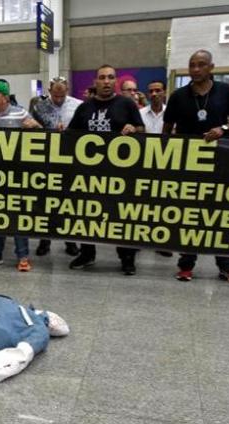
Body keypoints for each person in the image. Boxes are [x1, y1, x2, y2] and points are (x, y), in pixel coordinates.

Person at [162, 49, 229, 284]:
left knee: (219, 214)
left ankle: (227, 266)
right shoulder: (178, 96)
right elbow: (167, 128)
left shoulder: (225, 91)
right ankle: (186, 265)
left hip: (219, 162)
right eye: (192, 65)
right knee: (190, 215)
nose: (196, 69)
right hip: (188, 163)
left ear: (211, 67)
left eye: (201, 64)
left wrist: (223, 129)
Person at [66, 64, 144, 276]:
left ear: (115, 81)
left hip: (119, 173)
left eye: (110, 77)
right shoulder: (84, 107)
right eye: (102, 77)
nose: (106, 81)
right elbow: (71, 135)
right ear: (96, 82)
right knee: (87, 214)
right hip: (90, 173)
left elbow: (141, 129)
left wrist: (133, 129)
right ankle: (87, 253)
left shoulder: (126, 104)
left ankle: (127, 257)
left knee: (120, 215)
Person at [0, 80, 41, 272]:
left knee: (18, 215)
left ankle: (23, 256)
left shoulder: (20, 113)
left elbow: (40, 134)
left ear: (5, 97)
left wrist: (35, 126)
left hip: (17, 174)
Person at [31, 76, 83, 257]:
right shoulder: (39, 107)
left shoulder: (78, 106)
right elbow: (32, 129)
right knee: (46, 203)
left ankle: (70, 241)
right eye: (55, 95)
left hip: (71, 159)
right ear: (49, 91)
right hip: (47, 160)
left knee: (69, 203)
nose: (59, 99)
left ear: (67, 90)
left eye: (62, 95)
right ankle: (44, 241)